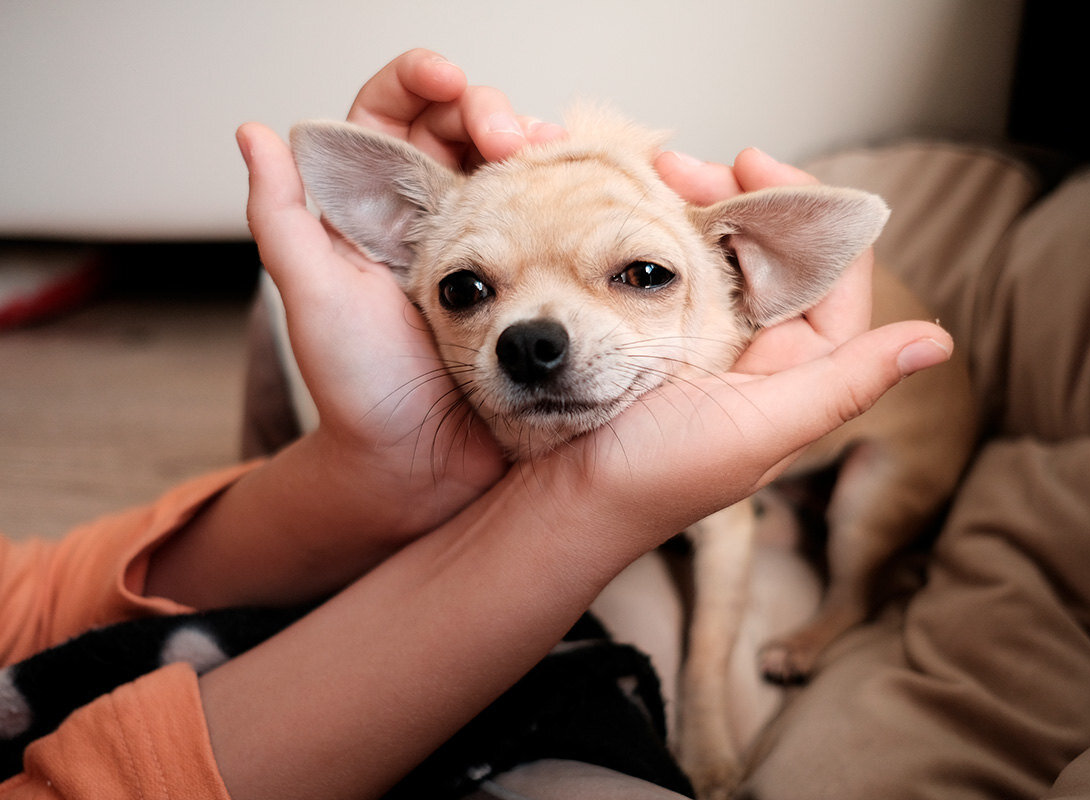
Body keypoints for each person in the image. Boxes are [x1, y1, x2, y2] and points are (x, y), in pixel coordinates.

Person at [0, 49, 951, 800]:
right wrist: (401, 462)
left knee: (847, 520)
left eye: (641, 275)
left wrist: (706, 719)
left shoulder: (737, 286)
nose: (529, 335)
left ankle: (842, 610)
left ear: (754, 276)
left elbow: (33, 605)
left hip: (876, 445)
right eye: (468, 290)